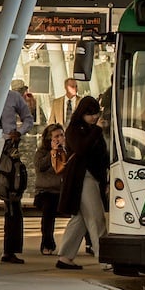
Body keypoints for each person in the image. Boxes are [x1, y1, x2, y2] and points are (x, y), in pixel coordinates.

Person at [0, 80, 34, 265]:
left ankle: (10, 250)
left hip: (9, 147)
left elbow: (28, 118)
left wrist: (19, 132)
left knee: (13, 199)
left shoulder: (13, 97)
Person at [55, 95, 107, 270]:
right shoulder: (74, 130)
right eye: (90, 114)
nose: (94, 117)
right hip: (83, 177)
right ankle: (105, 257)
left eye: (96, 113)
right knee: (95, 217)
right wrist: (97, 131)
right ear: (82, 114)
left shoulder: (91, 129)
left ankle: (65, 256)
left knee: (80, 219)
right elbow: (82, 148)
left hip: (89, 177)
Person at [33, 123, 67, 255]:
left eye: (62, 135)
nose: (59, 138)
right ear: (49, 139)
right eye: (56, 136)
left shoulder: (66, 151)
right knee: (49, 209)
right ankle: (47, 243)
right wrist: (53, 152)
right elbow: (40, 167)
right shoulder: (41, 153)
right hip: (46, 191)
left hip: (62, 191)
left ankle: (89, 242)